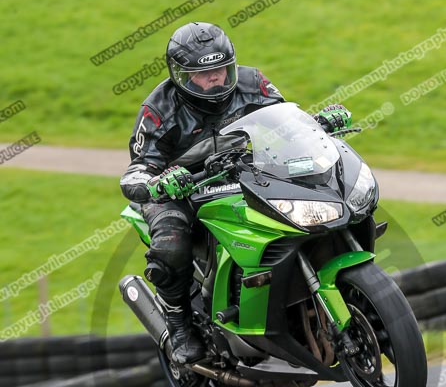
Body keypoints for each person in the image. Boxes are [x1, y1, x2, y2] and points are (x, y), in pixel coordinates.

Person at [120, 21, 351, 365]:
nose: (215, 79)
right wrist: (159, 181)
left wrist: (318, 124)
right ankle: (179, 323)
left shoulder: (252, 82)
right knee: (171, 243)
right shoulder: (158, 109)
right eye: (203, 75)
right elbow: (136, 169)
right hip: (182, 191)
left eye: (221, 69)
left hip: (246, 174)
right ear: (181, 76)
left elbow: (287, 124)